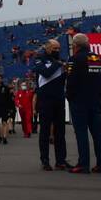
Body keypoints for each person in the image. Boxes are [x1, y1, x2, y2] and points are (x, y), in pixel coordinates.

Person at [65, 33, 101, 174]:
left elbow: (70, 82)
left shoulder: (74, 59)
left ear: (75, 46)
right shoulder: (98, 58)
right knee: (97, 132)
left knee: (81, 133)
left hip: (79, 102)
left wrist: (70, 97)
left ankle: (83, 164)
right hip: (95, 100)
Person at [29, 38, 68, 171]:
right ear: (47, 48)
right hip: (45, 100)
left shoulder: (61, 60)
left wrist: (64, 69)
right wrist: (58, 64)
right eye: (54, 48)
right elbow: (46, 73)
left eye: (58, 49)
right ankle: (45, 161)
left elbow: (64, 78)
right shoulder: (39, 59)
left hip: (59, 99)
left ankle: (61, 160)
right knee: (45, 132)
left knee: (60, 132)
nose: (57, 51)